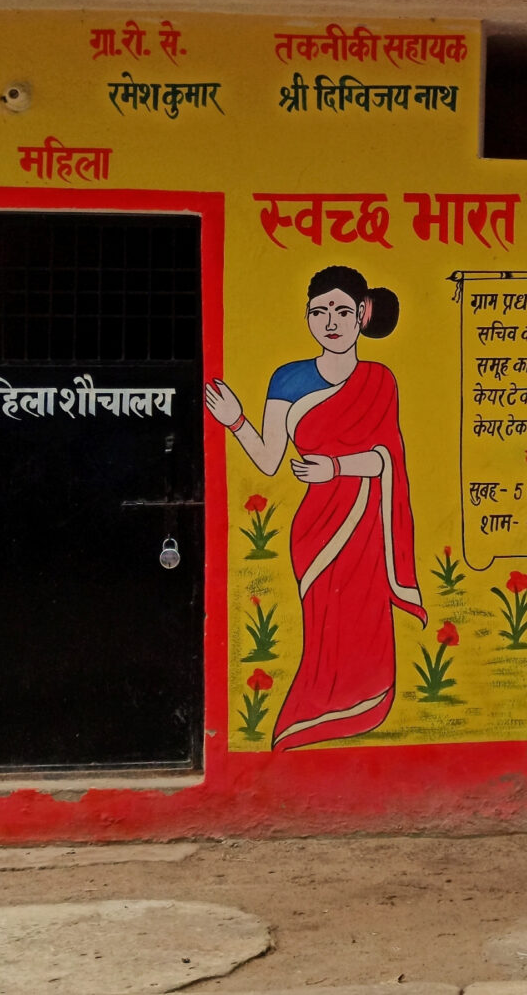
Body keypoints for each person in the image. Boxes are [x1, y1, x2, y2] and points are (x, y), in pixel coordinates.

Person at [205, 265, 427, 750]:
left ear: (363, 316)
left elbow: (386, 459)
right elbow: (268, 459)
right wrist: (236, 420)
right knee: (322, 625)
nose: (331, 321)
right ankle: (317, 708)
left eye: (343, 310)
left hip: (365, 522)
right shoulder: (288, 379)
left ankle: (363, 702)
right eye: (320, 311)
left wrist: (337, 467)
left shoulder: (379, 380)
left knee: (365, 620)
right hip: (316, 529)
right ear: (307, 317)